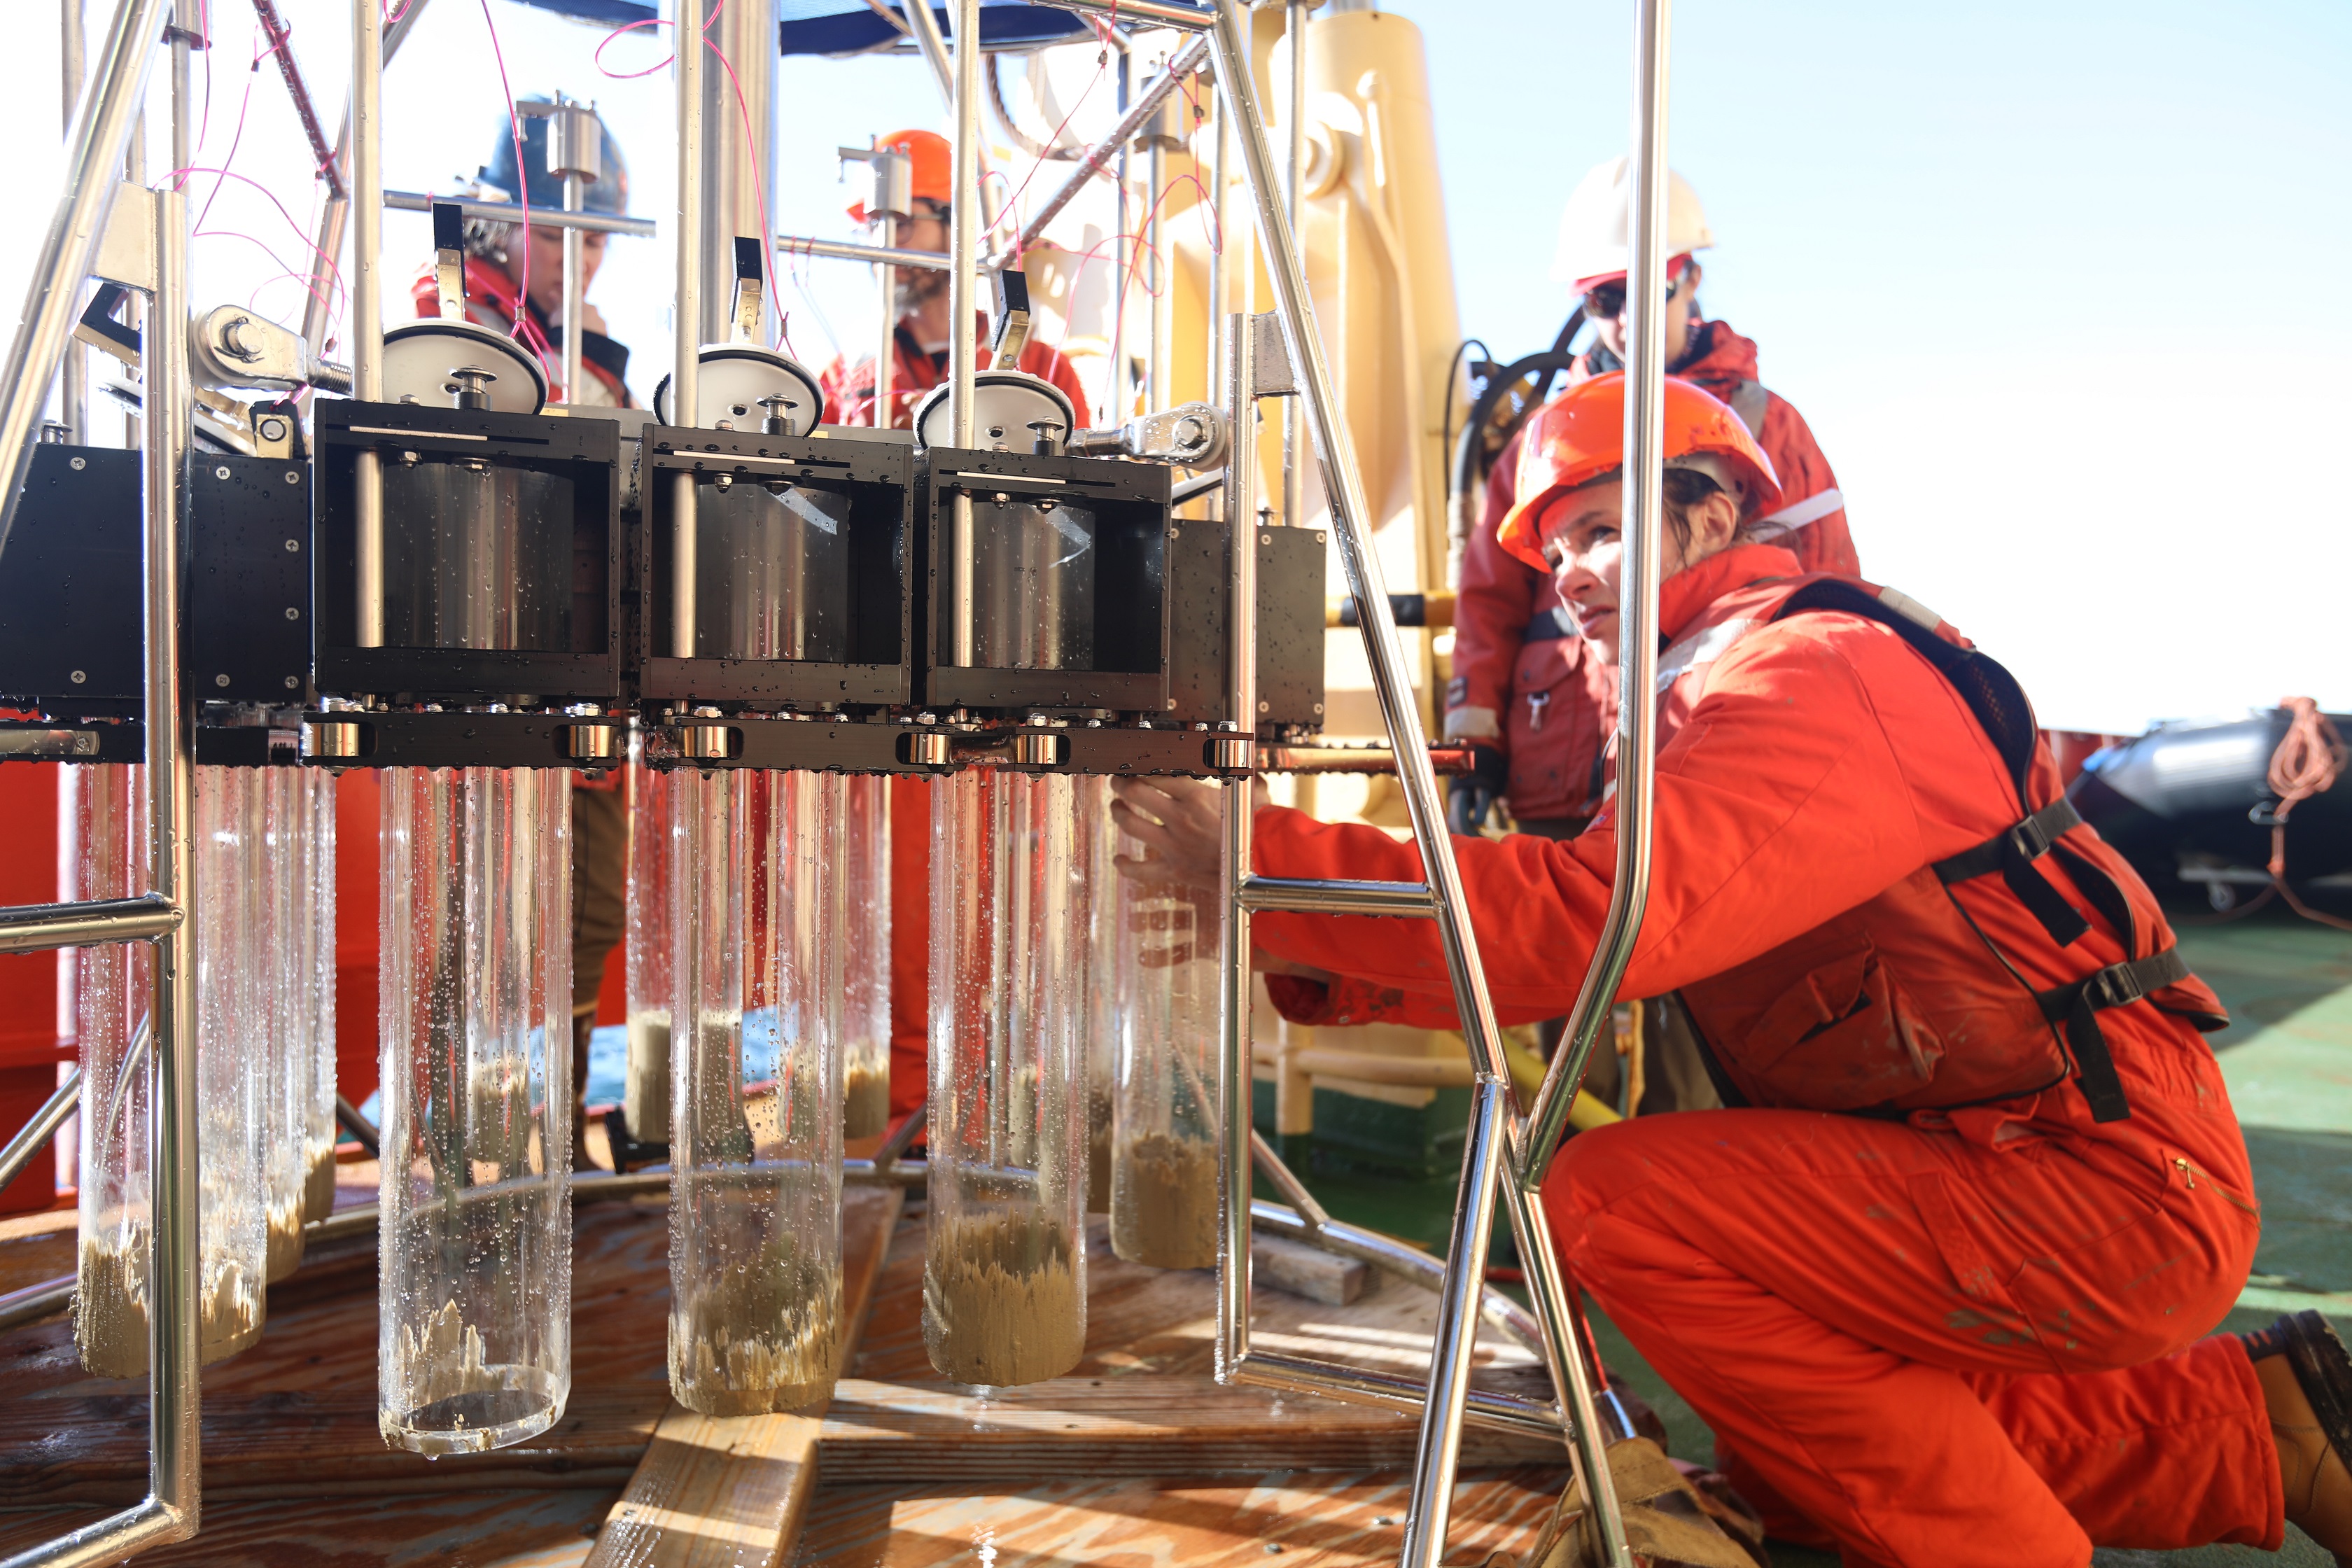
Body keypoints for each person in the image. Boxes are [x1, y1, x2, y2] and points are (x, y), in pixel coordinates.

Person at [1109, 373, 2352, 1563]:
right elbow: (1613, 950)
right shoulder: (1704, 693)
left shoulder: (1804, 677)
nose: (1571, 579)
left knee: (1612, 1200)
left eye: (1600, 530)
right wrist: (1307, 942)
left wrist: (1263, 866)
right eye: (1553, 557)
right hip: (1996, 1147)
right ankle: (2267, 1434)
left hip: (2098, 1181)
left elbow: (1602, 924)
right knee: (1818, 1447)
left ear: (1710, 511)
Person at [1447, 159, 1851, 844]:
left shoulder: (1767, 427)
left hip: (1709, 756)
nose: (1626, 318)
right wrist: (1472, 747)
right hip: (1557, 767)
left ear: (1689, 277)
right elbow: (1489, 601)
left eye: (1647, 290)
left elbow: (1829, 592)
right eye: (1605, 299)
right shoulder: (1540, 442)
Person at [410, 100, 637, 1168]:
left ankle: (546, 1131)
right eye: (568, 227)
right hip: (484, 686)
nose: (585, 255)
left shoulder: (586, 351)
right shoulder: (453, 313)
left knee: (588, 916)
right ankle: (462, 1140)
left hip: (583, 683)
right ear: (506, 220)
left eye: (598, 234)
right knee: (480, 927)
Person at [818, 128, 1091, 429]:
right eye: (873, 227)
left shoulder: (1042, 369)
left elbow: (1074, 471)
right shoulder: (843, 376)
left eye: (902, 222)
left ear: (957, 225)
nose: (883, 244)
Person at [410, 99, 636, 407]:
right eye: (553, 235)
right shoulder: (445, 308)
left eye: (594, 243)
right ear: (498, 227)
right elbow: (499, 431)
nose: (576, 263)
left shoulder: (543, 323)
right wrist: (585, 358)